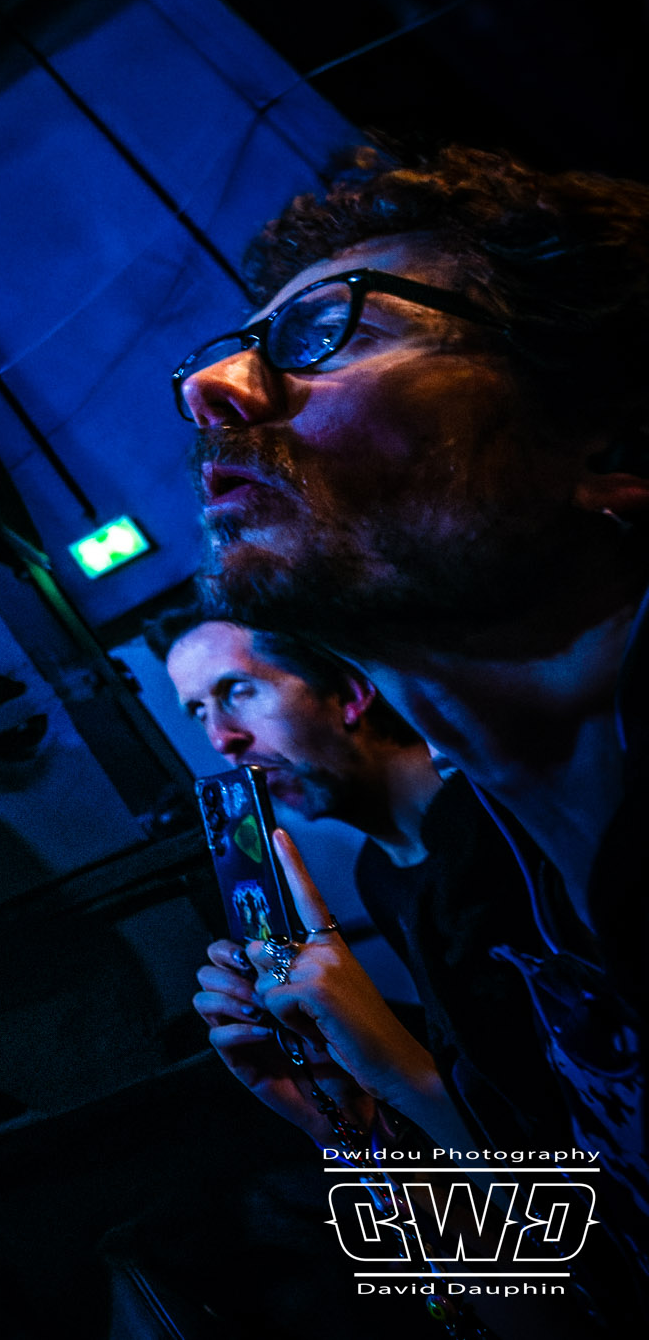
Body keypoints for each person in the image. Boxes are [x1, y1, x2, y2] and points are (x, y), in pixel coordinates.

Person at [177, 145, 649, 1289]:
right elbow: (578, 1288)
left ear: (601, 444)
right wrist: (348, 1125)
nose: (211, 389)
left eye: (324, 333)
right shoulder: (526, 891)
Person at [152, 608, 567, 1159]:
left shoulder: (518, 829)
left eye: (238, 690)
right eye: (198, 712)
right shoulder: (378, 872)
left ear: (349, 691)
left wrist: (399, 1073)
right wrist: (356, 1117)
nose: (221, 738)